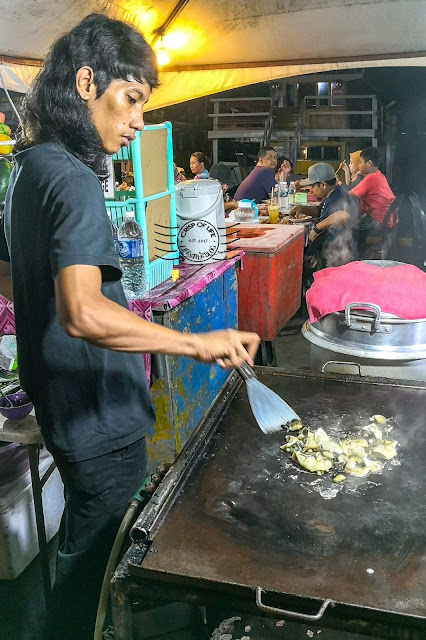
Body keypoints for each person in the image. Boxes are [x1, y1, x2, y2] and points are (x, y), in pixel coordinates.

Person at [0, 14, 260, 640]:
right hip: (96, 412)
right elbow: (84, 312)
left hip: (60, 401)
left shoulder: (29, 167)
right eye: (132, 100)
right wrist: (198, 342)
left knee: (85, 539)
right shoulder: (75, 179)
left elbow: (10, 275)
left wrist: (49, 302)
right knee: (93, 560)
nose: (139, 121)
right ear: (87, 84)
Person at [296, 163, 358, 265]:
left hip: (338, 254)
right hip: (329, 248)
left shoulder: (338, 197)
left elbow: (343, 215)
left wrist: (316, 229)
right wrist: (302, 209)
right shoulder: (332, 193)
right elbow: (319, 211)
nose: (310, 190)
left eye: (312, 186)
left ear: (323, 185)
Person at [348, 147, 395, 252]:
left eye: (360, 162)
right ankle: (359, 254)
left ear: (368, 163)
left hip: (379, 221)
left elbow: (349, 195)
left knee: (350, 228)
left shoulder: (371, 178)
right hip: (387, 219)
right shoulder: (379, 175)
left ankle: (357, 257)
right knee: (353, 224)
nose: (358, 165)